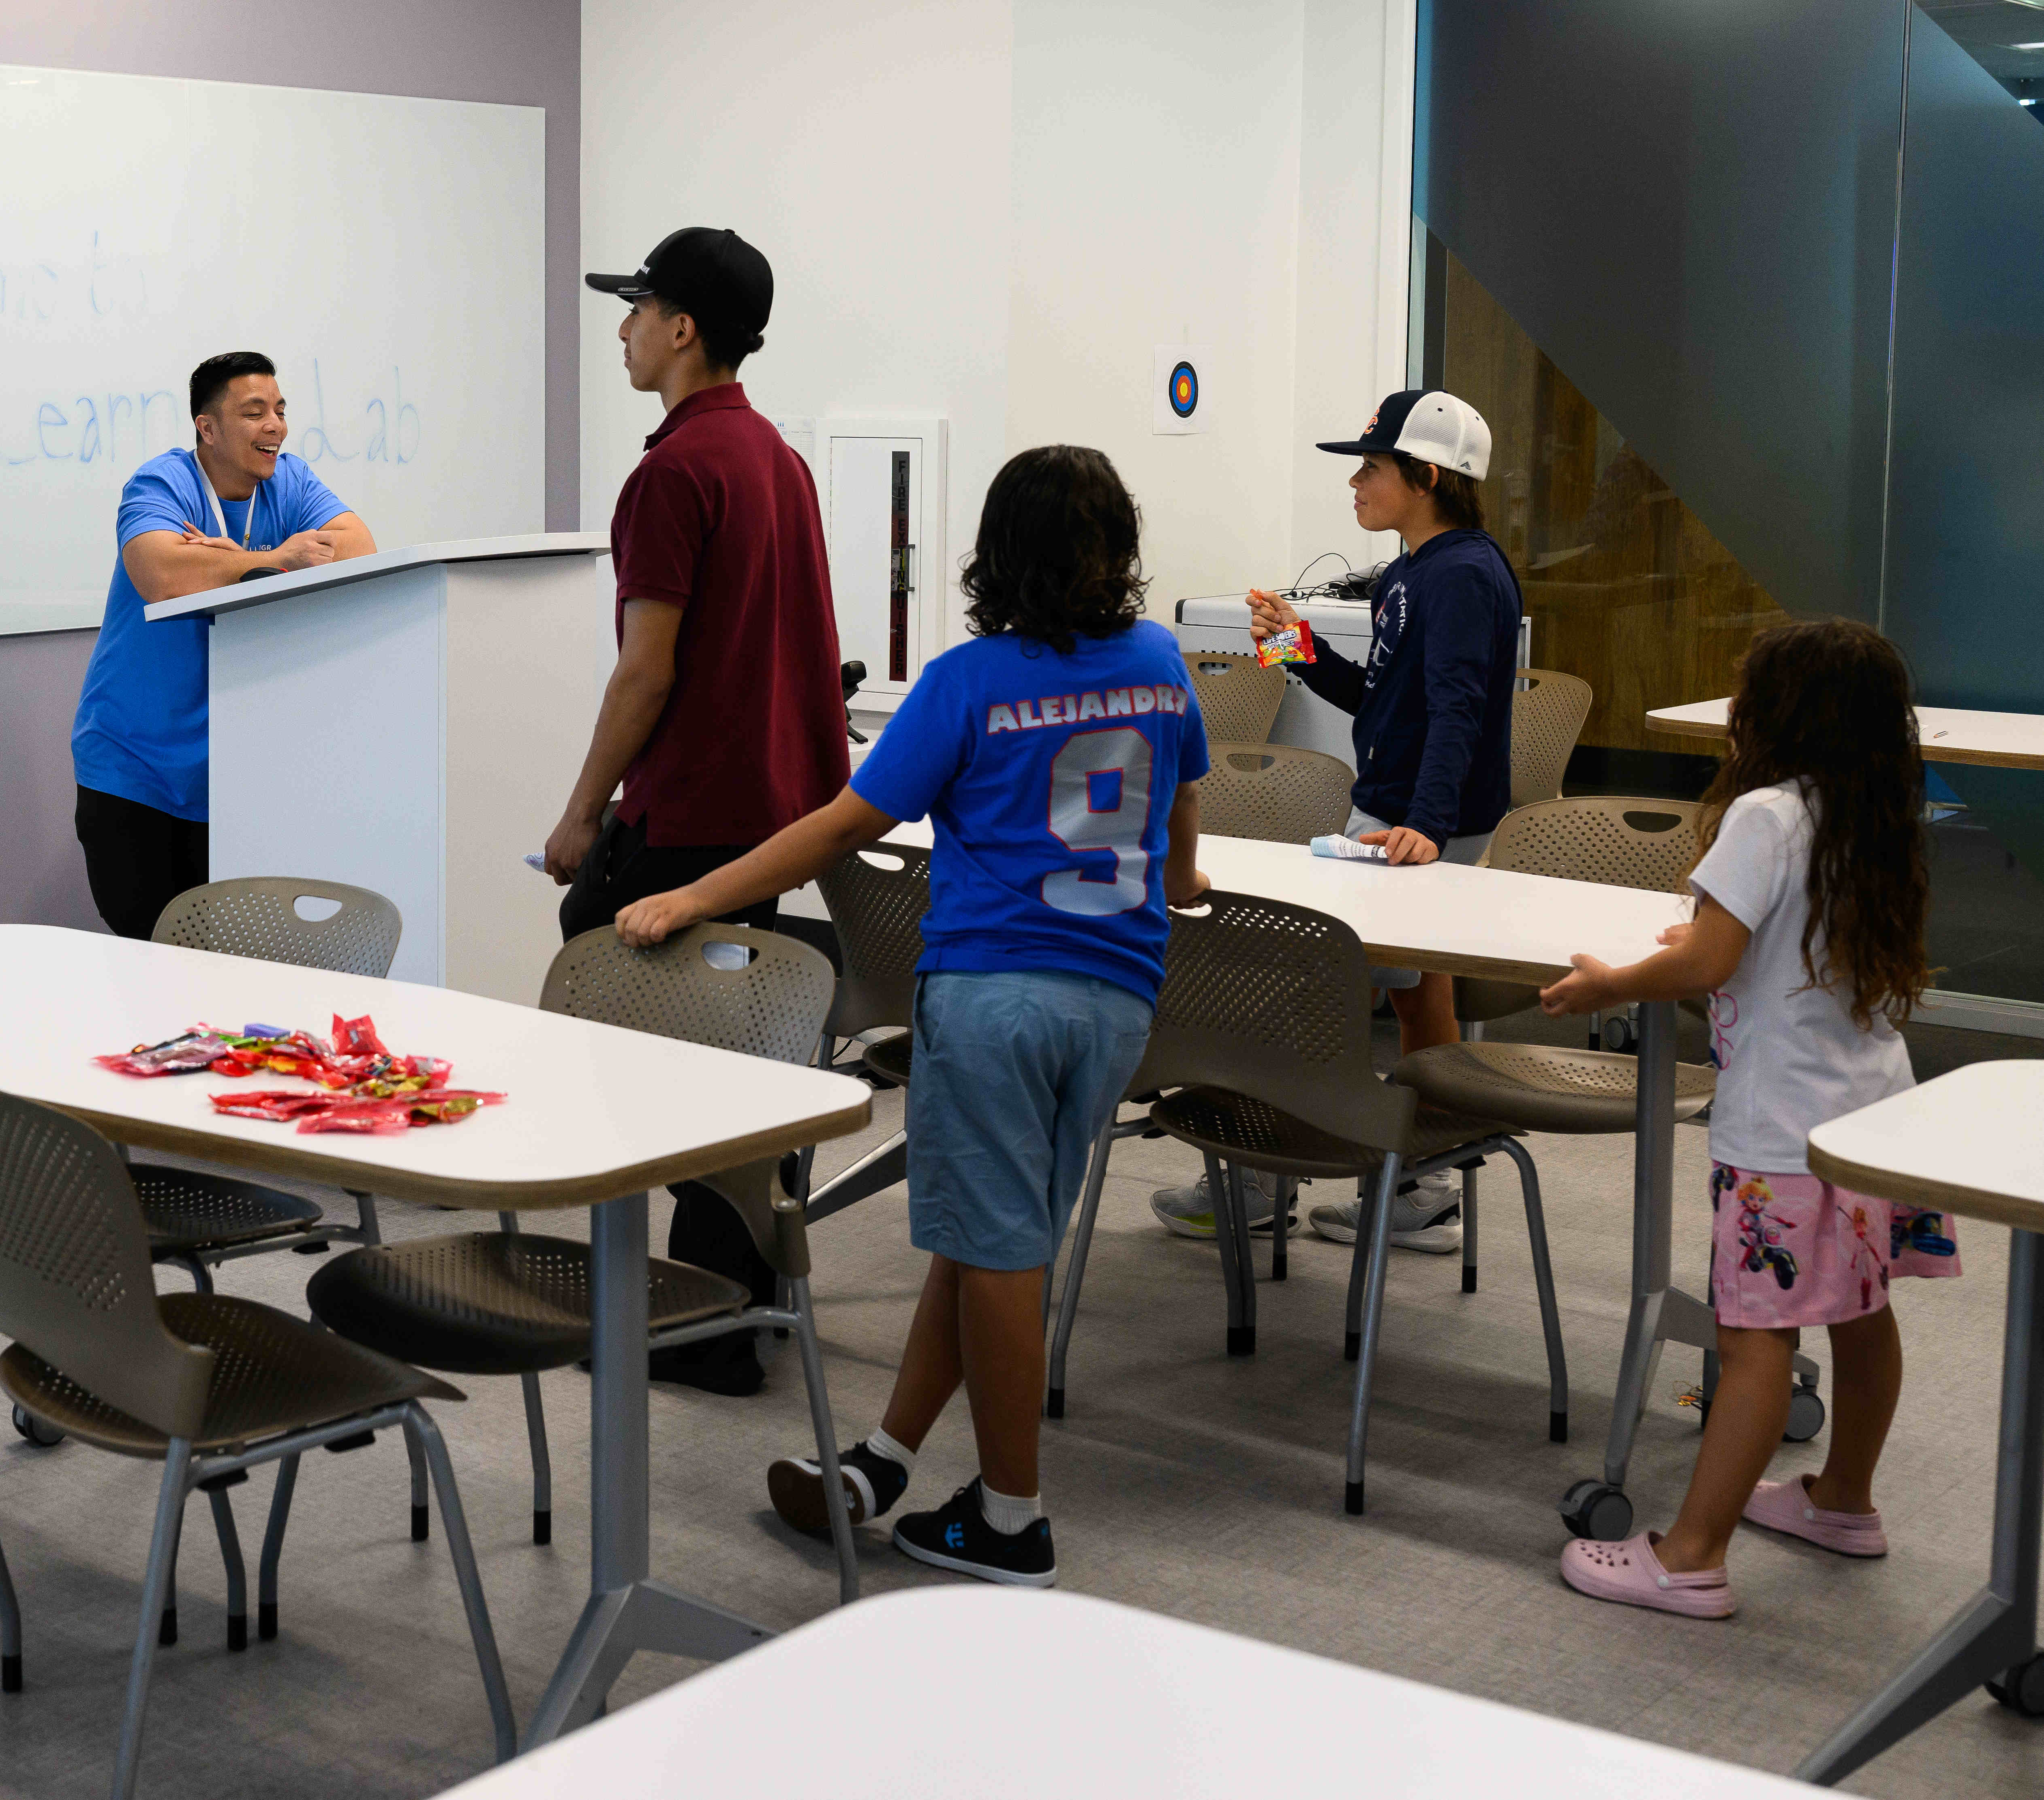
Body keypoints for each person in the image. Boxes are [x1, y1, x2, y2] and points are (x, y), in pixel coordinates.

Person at [617, 445, 1209, 1584]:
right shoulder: (1157, 661)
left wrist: (694, 891)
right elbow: (1182, 810)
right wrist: (1176, 877)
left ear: (996, 551)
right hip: (1116, 998)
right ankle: (887, 1457)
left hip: (993, 994)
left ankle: (1008, 1516)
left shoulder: (966, 679)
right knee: (994, 1239)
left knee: (994, 1252)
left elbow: (842, 825)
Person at [1545, 617, 1954, 1618]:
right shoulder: (1869, 807)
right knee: (1860, 1312)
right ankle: (1842, 1501)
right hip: (1868, 1113)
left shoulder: (1765, 814)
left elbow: (1704, 963)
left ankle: (1688, 1556)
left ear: (1771, 712)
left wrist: (1611, 986)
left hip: (1779, 1124)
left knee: (1752, 1339)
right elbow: (1781, 937)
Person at [542, 226, 845, 1394]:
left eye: (635, 308)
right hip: (769, 808)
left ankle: (700, 1322)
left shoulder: (672, 474)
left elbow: (646, 669)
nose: (620, 328)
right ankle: (742, 1301)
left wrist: (583, 811)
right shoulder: (772, 454)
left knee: (606, 983)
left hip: (688, 811)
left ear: (682, 329)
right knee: (732, 1049)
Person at [1150, 387, 1521, 1252]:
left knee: (1310, 993)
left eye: (1371, 467)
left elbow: (1457, 708)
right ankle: (1422, 1191)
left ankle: (1253, 1179)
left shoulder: (1462, 577)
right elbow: (1375, 694)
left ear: (1426, 474)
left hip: (1408, 827)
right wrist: (1290, 642)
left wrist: (1421, 825)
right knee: (1419, 992)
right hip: (1397, 814)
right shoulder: (1415, 571)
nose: (1353, 483)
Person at [69, 352, 371, 939]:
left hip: (237, 773)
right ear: (207, 428)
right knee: (154, 948)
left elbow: (358, 549)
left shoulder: (291, 481)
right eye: (254, 413)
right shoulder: (163, 482)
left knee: (228, 961)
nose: (275, 426)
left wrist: (229, 559)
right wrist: (276, 559)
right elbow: (160, 572)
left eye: (280, 411)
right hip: (135, 769)